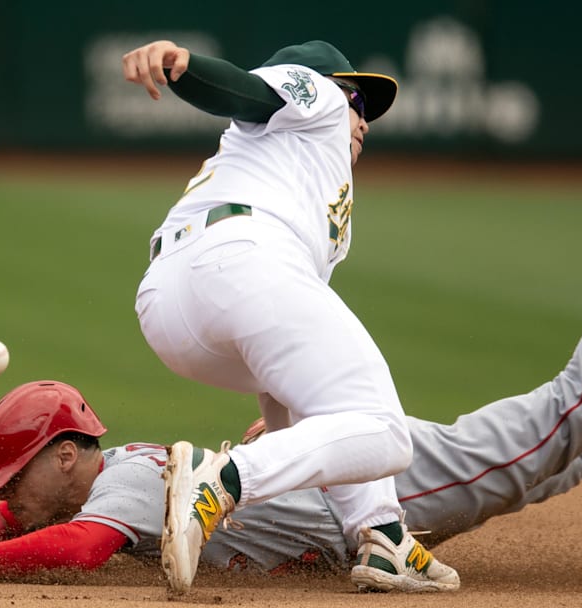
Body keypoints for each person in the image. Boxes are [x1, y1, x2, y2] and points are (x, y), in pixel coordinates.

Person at [0, 176, 582, 587]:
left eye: (13, 483)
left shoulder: (126, 490)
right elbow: (17, 525)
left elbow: (77, 554)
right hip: (375, 477)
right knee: (556, 462)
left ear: (65, 457)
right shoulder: (114, 470)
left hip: (401, 485)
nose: (6, 503)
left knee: (564, 423)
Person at [122, 39, 458, 593]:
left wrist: (286, 440)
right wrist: (186, 68)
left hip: (169, 305)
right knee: (386, 431)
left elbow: (289, 371)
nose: (362, 117)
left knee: (341, 405)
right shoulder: (318, 98)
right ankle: (220, 479)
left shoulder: (284, 174)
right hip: (240, 257)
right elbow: (249, 92)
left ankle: (384, 540)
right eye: (358, 98)